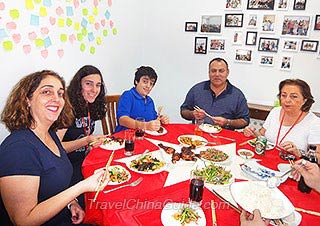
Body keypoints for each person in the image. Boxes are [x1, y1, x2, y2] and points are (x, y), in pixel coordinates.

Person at [0, 70, 108, 226]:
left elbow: (53, 185)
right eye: (46, 92)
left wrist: (71, 203)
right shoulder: (18, 149)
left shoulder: (49, 134)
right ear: (27, 100)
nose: (56, 99)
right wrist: (81, 187)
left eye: (60, 93)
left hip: (63, 214)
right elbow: (23, 220)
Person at [57, 65, 107, 208]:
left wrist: (91, 143)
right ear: (78, 85)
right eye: (88, 84)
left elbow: (85, 134)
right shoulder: (68, 109)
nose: (94, 90)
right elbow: (57, 148)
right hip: (68, 166)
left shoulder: (89, 105)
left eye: (98, 85)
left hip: (85, 160)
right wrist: (86, 140)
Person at [244, 79, 320, 156]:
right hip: (267, 159)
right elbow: (262, 136)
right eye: (283, 95)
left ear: (304, 100)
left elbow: (318, 156)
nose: (287, 100)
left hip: (293, 165)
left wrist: (299, 153)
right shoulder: (275, 111)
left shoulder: (314, 122)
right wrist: (253, 133)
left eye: (294, 96)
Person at [180, 57, 250, 130]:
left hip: (224, 137)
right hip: (199, 135)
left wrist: (227, 122)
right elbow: (183, 111)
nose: (217, 74)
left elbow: (245, 121)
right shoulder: (197, 89)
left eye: (221, 71)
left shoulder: (237, 95)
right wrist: (193, 114)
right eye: (213, 71)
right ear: (209, 72)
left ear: (227, 72)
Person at [114, 66, 169, 133]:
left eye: (151, 83)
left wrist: (161, 119)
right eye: (145, 81)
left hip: (143, 136)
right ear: (136, 81)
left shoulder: (150, 101)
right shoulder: (128, 95)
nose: (148, 86)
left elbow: (153, 118)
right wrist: (145, 125)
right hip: (126, 137)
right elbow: (122, 120)